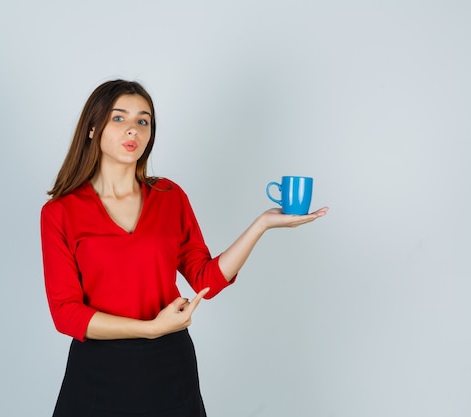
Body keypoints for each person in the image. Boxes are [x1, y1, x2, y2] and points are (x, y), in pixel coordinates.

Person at [40, 79, 328, 417]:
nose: (132, 129)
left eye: (142, 121)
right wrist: (149, 329)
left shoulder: (169, 196)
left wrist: (261, 224)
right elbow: (66, 313)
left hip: (167, 367)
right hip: (97, 372)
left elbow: (206, 277)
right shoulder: (60, 212)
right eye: (119, 118)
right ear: (92, 128)